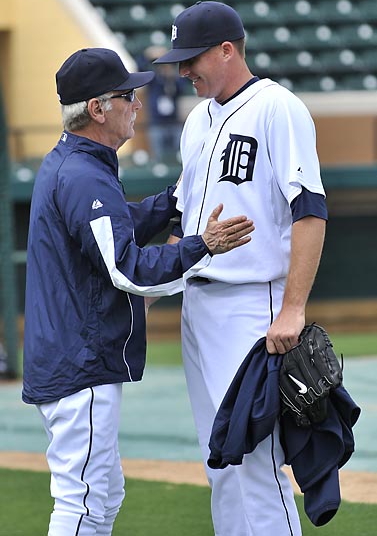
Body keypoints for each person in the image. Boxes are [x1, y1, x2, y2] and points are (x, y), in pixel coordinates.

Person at [22, 47, 254, 536]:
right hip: (78, 366)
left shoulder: (79, 163)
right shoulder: (83, 174)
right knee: (82, 503)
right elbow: (126, 268)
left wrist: (173, 200)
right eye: (127, 95)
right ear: (97, 109)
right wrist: (202, 246)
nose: (138, 105)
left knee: (102, 496)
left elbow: (116, 224)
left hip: (75, 361)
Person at [154, 1, 328, 536]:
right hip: (197, 302)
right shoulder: (195, 119)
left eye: (193, 58)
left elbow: (311, 211)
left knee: (254, 462)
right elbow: (182, 223)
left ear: (228, 50)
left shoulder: (279, 108)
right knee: (219, 461)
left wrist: (293, 308)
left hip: (253, 302)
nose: (184, 71)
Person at [137, 45, 187, 163]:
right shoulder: (155, 80)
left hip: (174, 122)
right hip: (157, 123)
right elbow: (140, 69)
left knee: (179, 157)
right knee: (157, 157)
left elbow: (182, 87)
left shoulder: (175, 80)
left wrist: (172, 77)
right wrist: (147, 55)